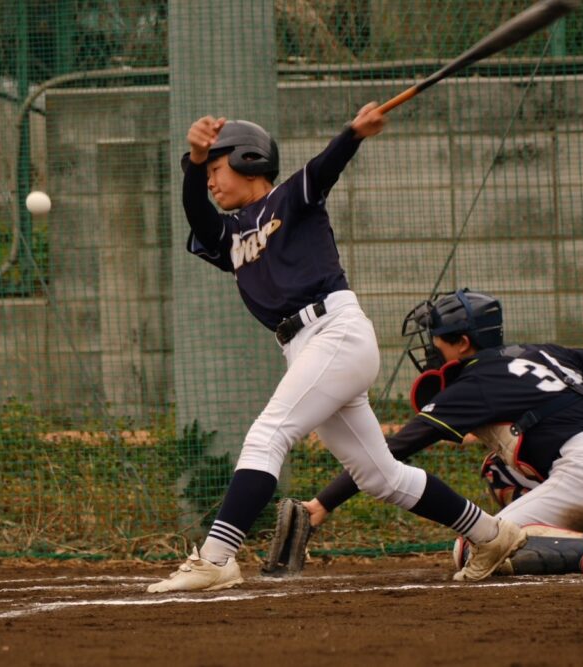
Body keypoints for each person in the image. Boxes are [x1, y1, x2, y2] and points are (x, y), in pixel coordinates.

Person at [147, 107, 527, 592]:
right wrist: (197, 157)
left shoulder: (288, 199)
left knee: (268, 435)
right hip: (305, 347)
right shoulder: (233, 233)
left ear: (249, 160)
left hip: (334, 332)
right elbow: (200, 222)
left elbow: (324, 168)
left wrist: (352, 133)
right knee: (380, 476)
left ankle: (217, 557)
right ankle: (492, 535)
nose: (210, 182)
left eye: (216, 170)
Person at [300, 289, 583, 576]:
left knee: (477, 546)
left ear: (463, 343)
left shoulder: (476, 381)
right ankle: (578, 532)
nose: (430, 349)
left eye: (435, 339)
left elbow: (391, 449)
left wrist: (323, 502)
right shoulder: (540, 351)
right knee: (498, 472)